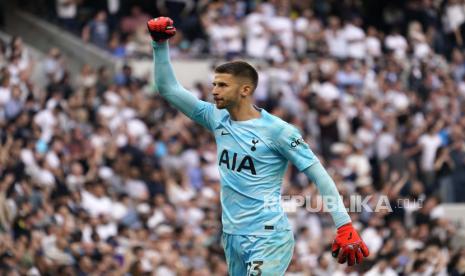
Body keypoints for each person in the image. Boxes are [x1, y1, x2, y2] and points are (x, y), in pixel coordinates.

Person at [147, 17, 369, 275]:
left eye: (222, 85)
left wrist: (344, 225)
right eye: (214, 84)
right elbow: (168, 88)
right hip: (232, 236)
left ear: (245, 89)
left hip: (268, 237)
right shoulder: (215, 117)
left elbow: (319, 174)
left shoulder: (279, 131)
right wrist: (160, 45)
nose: (215, 91)